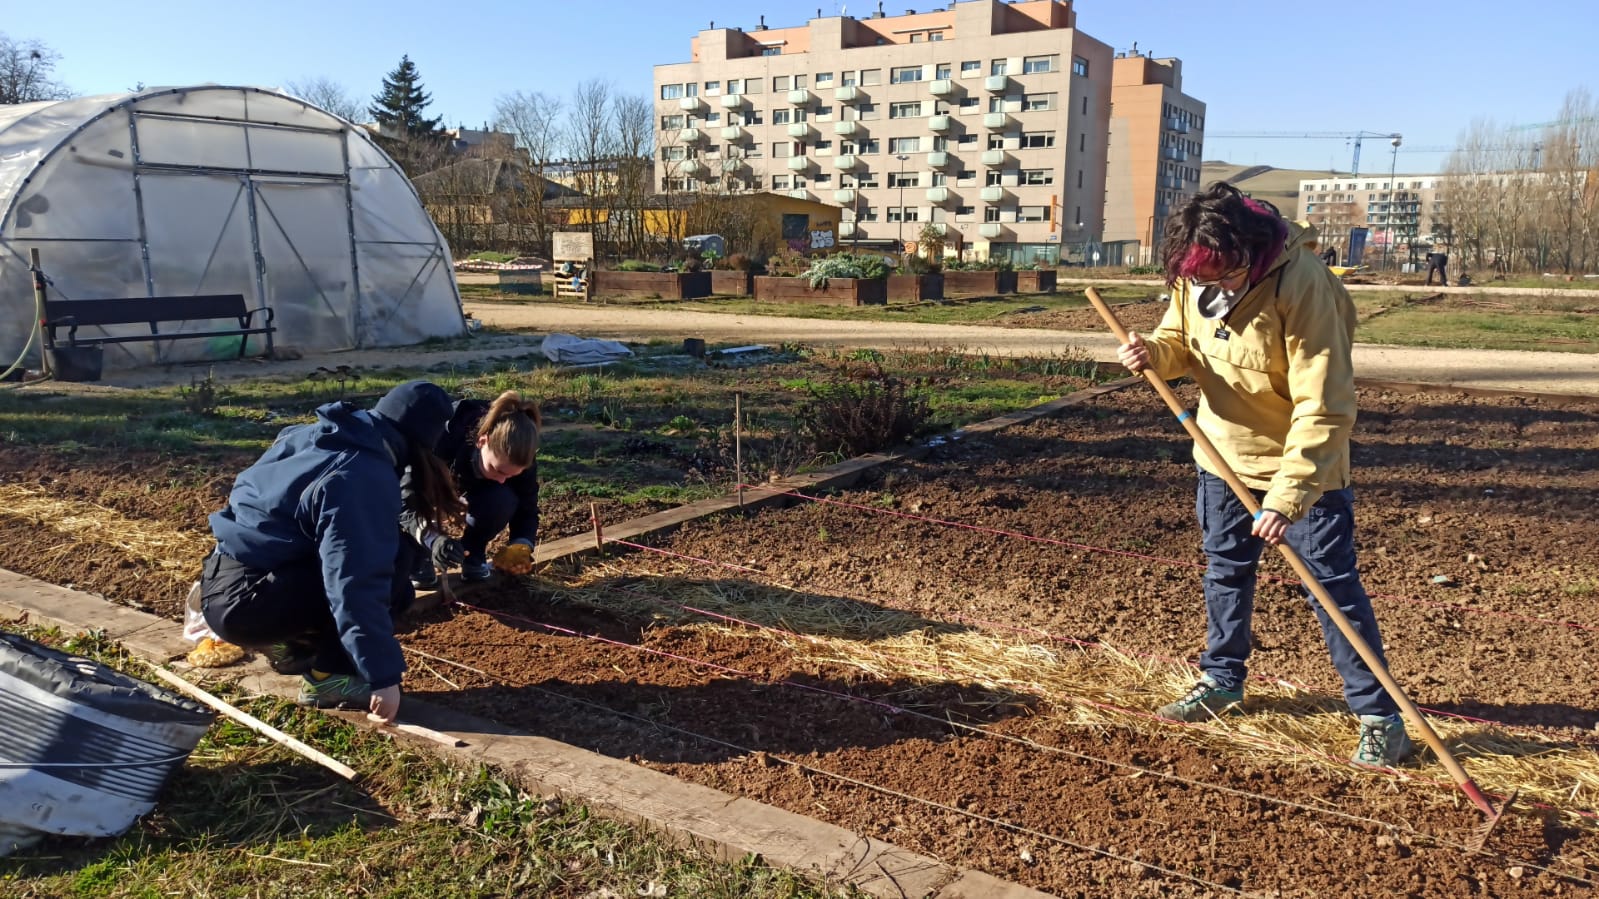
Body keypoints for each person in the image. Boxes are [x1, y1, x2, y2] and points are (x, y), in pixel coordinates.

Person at [1115, 182, 1412, 769]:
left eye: (1224, 277)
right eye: (1201, 281)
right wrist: (1153, 352)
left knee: (1330, 590)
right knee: (1225, 572)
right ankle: (1222, 681)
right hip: (1220, 456)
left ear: (1251, 251)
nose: (1213, 288)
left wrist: (1286, 496)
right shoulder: (1196, 269)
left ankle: (1381, 718)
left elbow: (1324, 406)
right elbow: (1182, 342)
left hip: (1302, 468)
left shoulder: (1304, 289)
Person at [200, 380, 463, 722]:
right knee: (395, 559)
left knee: (357, 552)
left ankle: (289, 644)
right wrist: (383, 677)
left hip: (224, 581)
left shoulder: (317, 436)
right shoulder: (361, 476)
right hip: (249, 605)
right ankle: (328, 676)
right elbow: (356, 583)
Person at [406, 389, 541, 587]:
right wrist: (432, 538)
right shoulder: (441, 436)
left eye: (512, 475)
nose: (503, 480)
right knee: (419, 498)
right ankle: (419, 556)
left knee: (503, 499)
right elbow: (405, 498)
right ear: (482, 441)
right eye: (497, 470)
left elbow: (527, 505)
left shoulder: (520, 456)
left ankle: (472, 552)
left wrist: (522, 543)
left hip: (476, 487)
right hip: (427, 484)